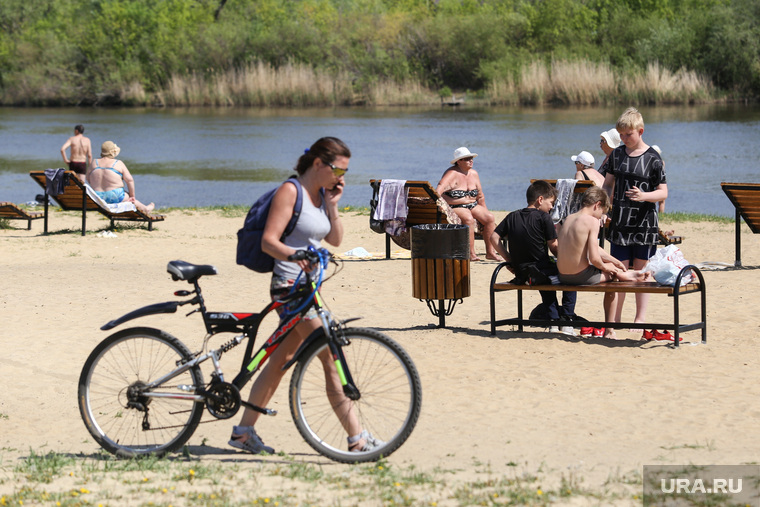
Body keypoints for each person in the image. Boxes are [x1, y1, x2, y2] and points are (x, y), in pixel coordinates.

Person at [230, 137, 381, 455]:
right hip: (290, 288)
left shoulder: (320, 196)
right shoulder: (291, 191)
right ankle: (358, 439)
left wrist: (334, 206)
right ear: (318, 164)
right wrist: (296, 254)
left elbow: (336, 240)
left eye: (345, 172)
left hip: (310, 290)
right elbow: (269, 242)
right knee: (329, 356)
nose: (342, 177)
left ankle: (243, 432)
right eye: (339, 169)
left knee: (279, 362)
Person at [602, 107, 667, 339]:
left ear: (640, 131)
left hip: (645, 225)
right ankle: (614, 321)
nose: (624, 139)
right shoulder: (617, 155)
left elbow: (663, 192)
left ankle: (640, 318)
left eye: (628, 134)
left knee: (642, 272)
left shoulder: (653, 158)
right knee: (619, 272)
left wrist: (644, 196)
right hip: (620, 223)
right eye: (621, 135)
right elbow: (607, 184)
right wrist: (602, 207)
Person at [557, 187, 652, 339]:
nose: (601, 216)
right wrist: (608, 267)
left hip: (563, 275)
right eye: (602, 212)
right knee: (612, 281)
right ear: (597, 205)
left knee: (612, 268)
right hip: (580, 276)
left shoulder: (568, 219)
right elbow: (594, 259)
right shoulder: (592, 222)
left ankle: (627, 274)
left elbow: (591, 248)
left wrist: (614, 261)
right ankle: (609, 330)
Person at [490, 180, 578, 336]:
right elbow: (554, 247)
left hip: (522, 273)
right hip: (539, 273)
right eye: (551, 202)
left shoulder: (512, 216)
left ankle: (553, 320)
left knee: (546, 274)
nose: (551, 207)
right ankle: (566, 321)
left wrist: (509, 259)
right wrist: (567, 263)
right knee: (569, 278)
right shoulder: (544, 218)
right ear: (540, 200)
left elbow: (494, 237)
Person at [436, 147, 502, 261]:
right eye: (466, 159)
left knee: (490, 218)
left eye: (471, 158)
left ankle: (490, 252)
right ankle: (471, 254)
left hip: (472, 204)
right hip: (456, 206)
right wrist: (448, 204)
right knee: (468, 219)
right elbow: (438, 192)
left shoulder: (474, 174)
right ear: (458, 161)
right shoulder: (451, 173)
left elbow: (480, 196)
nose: (470, 161)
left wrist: (485, 210)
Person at [86, 141, 155, 213]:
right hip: (116, 196)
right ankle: (145, 208)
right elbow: (130, 180)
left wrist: (96, 185)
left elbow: (87, 177)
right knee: (128, 196)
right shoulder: (118, 163)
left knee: (123, 194)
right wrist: (132, 196)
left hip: (97, 196)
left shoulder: (94, 162)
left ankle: (144, 208)